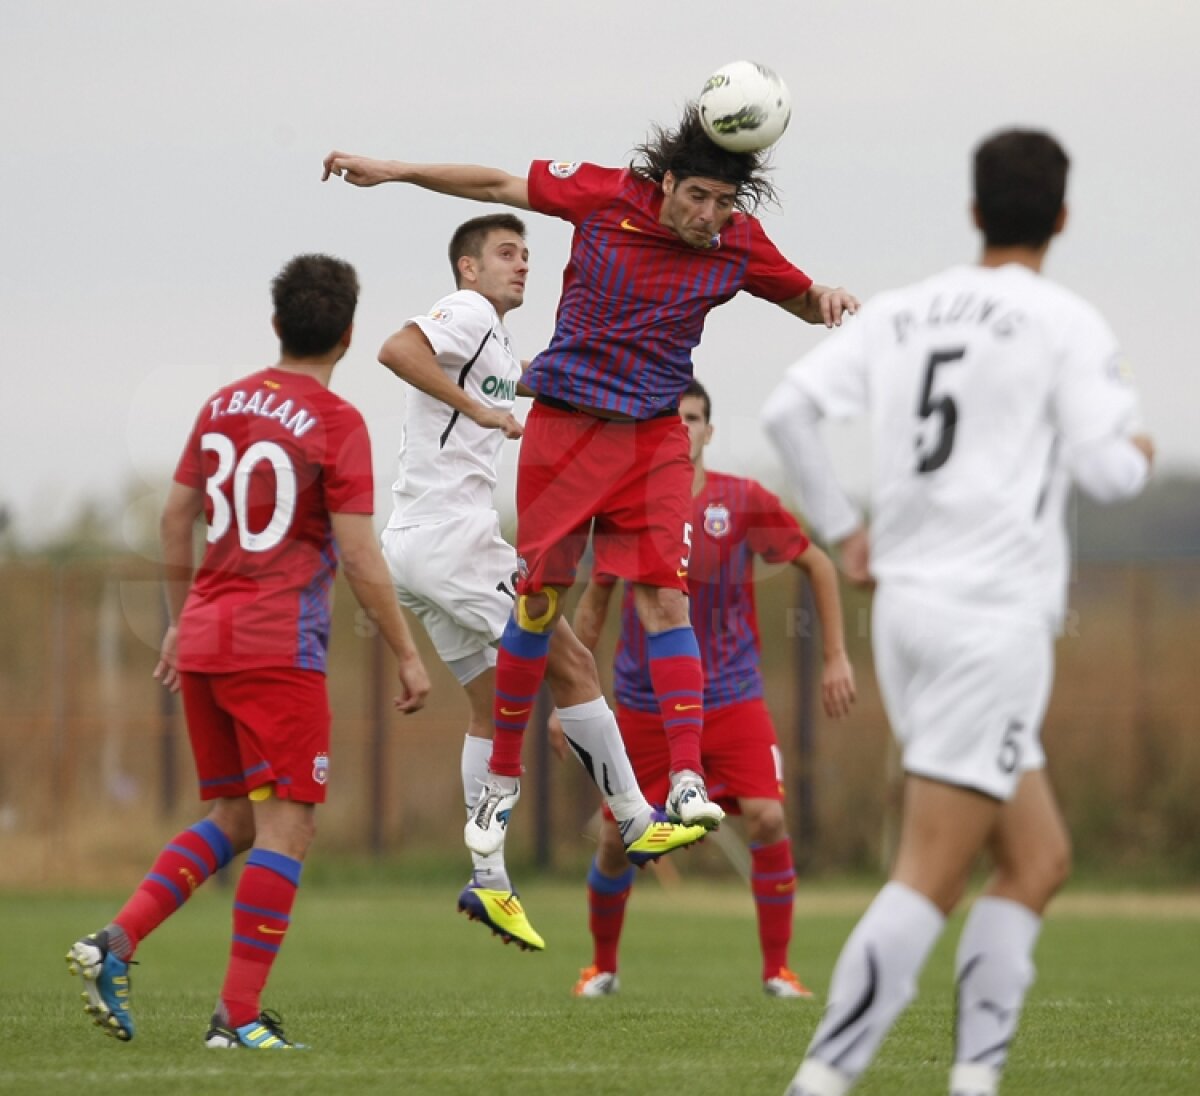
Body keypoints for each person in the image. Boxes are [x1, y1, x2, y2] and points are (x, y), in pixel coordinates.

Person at [322, 102, 858, 855]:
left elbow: (802, 300)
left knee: (666, 597)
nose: (708, 215)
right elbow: (497, 185)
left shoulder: (738, 245)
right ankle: (500, 784)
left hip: (653, 438)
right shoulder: (608, 196)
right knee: (538, 605)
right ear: (666, 182)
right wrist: (396, 169)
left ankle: (684, 778)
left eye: (723, 203)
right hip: (567, 432)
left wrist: (824, 297)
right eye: (697, 197)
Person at [761, 129, 1155, 1096]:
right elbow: (1108, 470)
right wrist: (1138, 443)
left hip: (911, 617)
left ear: (974, 211)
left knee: (1038, 858)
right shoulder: (1062, 321)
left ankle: (975, 1080)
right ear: (1061, 218)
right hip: (992, 619)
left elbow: (787, 414)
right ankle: (820, 1081)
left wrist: (848, 527)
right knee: (932, 873)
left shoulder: (903, 313)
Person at [66, 254, 432, 1050]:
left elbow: (174, 518)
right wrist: (406, 652)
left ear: (276, 325)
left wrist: (178, 618)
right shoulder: (338, 424)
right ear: (347, 334)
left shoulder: (221, 404)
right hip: (277, 648)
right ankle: (235, 1019)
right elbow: (362, 556)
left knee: (234, 817)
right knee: (288, 828)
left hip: (206, 639)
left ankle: (113, 944)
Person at [374, 214, 708, 952]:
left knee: (492, 711)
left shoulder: (497, 337)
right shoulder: (465, 312)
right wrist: (483, 410)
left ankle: (489, 880)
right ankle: (635, 815)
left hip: (412, 545)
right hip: (455, 542)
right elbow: (396, 350)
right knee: (574, 664)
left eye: (527, 254)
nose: (521, 264)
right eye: (504, 253)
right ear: (468, 267)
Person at [563, 379, 856, 1001]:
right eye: (674, 419)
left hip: (733, 696)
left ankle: (778, 970)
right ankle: (601, 967)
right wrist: (569, 706)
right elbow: (591, 610)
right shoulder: (626, 507)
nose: (684, 429)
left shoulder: (742, 502)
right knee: (617, 840)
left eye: (694, 419)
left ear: (709, 431)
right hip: (642, 705)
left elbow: (818, 564)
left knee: (770, 817)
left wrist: (835, 656)